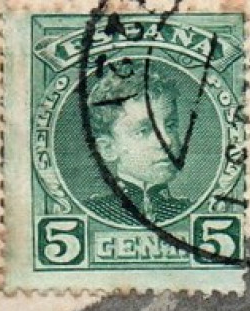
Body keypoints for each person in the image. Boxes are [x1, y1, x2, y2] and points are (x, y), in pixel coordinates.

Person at [82, 65, 193, 227]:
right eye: (143, 131)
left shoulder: (189, 212)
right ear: (108, 148)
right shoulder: (93, 213)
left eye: (170, 125)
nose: (167, 140)